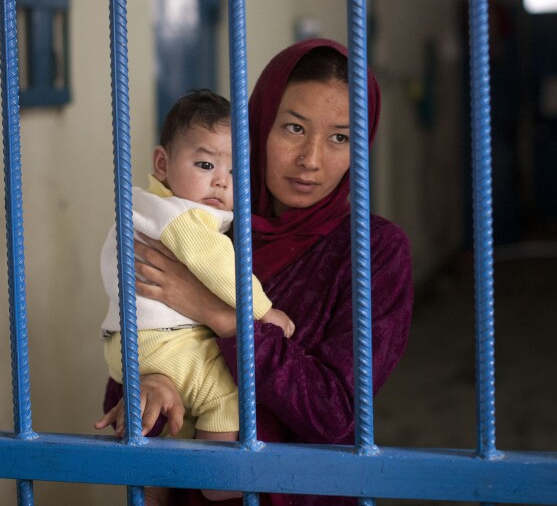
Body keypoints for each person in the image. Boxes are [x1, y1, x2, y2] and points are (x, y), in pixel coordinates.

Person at [96, 39, 414, 505]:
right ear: (258, 125)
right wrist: (151, 387)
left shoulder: (374, 251)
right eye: (293, 128)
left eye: (340, 137)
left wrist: (221, 315)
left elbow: (334, 412)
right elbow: (133, 380)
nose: (311, 159)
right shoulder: (202, 224)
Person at [99, 89, 295, 504]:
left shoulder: (145, 208)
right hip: (165, 340)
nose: (221, 181)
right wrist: (264, 311)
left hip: (133, 345)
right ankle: (217, 479)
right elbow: (223, 269)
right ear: (162, 164)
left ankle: (151, 490)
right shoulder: (183, 218)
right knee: (225, 389)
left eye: (234, 170)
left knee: (169, 416)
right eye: (205, 164)